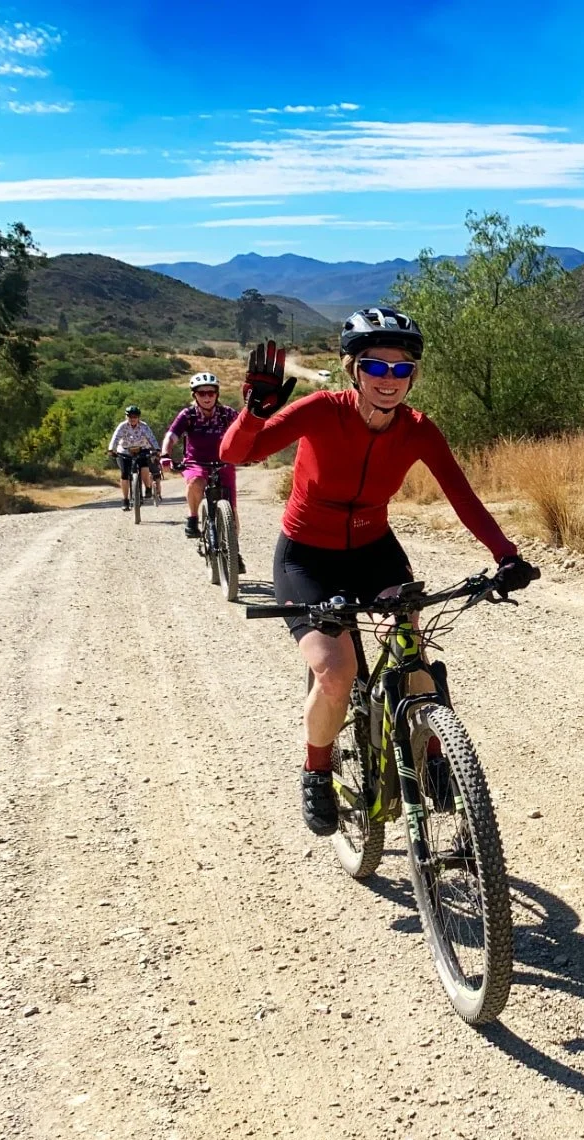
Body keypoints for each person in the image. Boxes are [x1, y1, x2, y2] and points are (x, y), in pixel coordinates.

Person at [219, 308, 537, 836]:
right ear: (352, 369)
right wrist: (253, 413)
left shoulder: (418, 430)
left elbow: (464, 498)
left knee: (410, 644)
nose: (389, 381)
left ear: (414, 375)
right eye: (375, 367)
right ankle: (317, 770)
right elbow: (237, 453)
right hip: (307, 558)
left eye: (401, 369)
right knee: (336, 672)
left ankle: (435, 755)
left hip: (374, 551)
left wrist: (506, 555)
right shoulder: (321, 410)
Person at [160, 373, 244, 570]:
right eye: (202, 393)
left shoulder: (227, 413)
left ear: (217, 394)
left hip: (224, 462)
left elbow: (244, 430)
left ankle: (234, 551)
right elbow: (171, 436)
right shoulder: (187, 415)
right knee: (196, 481)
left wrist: (255, 451)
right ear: (194, 395)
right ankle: (192, 518)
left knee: (231, 511)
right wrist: (165, 454)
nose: (207, 397)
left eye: (211, 393)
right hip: (195, 462)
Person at [107, 405, 160, 511]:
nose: (133, 419)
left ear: (138, 417)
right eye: (130, 416)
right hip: (125, 451)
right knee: (124, 474)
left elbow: (151, 438)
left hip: (141, 449)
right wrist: (111, 449)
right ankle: (125, 500)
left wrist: (157, 449)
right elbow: (115, 437)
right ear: (126, 417)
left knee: (144, 466)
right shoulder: (122, 426)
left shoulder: (144, 426)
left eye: (135, 416)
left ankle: (148, 488)